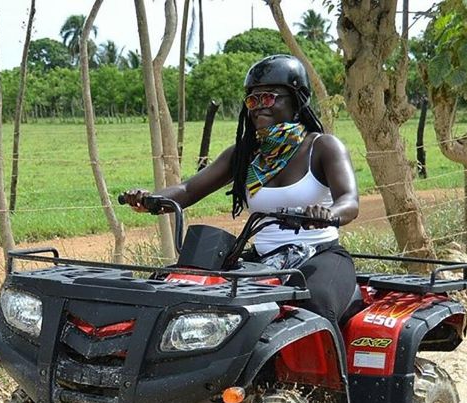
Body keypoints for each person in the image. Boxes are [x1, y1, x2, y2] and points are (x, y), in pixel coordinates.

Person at [122, 54, 359, 337]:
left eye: (269, 98)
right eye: (252, 101)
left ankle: (325, 381)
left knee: (313, 305)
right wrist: (151, 199)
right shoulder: (245, 154)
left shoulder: (323, 147)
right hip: (263, 259)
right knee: (188, 288)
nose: (259, 107)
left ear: (297, 99)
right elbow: (188, 189)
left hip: (319, 255)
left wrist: (329, 215)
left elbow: (349, 200)